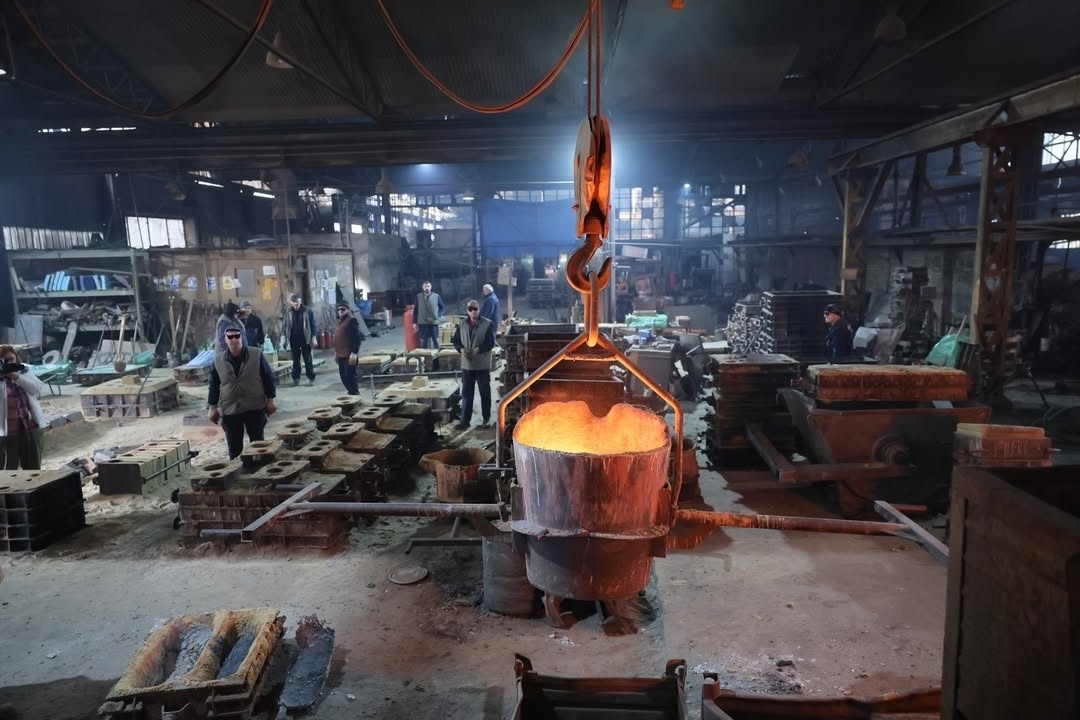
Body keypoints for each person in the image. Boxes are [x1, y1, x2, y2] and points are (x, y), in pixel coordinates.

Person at [207, 328, 278, 459]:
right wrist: (212, 407)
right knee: (234, 448)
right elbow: (214, 385)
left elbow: (268, 377)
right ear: (225, 340)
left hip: (254, 406)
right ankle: (237, 470)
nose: (234, 339)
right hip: (231, 409)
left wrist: (270, 400)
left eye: (237, 336)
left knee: (258, 445)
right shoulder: (218, 361)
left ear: (242, 338)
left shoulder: (256, 355)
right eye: (230, 337)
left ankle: (260, 469)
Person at [0, 345, 47, 470]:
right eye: (5, 360)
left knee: (33, 465)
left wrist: (16, 377)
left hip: (29, 426)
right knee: (9, 467)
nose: (10, 363)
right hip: (7, 431)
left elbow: (37, 389)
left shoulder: (23, 369)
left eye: (12, 359)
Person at [451, 299, 495, 431]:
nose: (473, 311)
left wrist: (478, 349)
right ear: (467, 311)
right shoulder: (462, 324)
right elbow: (456, 341)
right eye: (470, 309)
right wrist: (461, 349)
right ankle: (465, 420)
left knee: (484, 393)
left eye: (475, 309)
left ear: (479, 310)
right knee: (466, 393)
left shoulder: (487, 324)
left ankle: (486, 419)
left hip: (482, 365)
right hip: (467, 366)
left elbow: (490, 343)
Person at [283, 293, 317, 386]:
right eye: (294, 302)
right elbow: (285, 326)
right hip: (293, 338)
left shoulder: (307, 311)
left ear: (300, 301)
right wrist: (285, 339)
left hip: (305, 338)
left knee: (308, 359)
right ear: (291, 302)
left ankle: (311, 378)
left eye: (297, 302)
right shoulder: (288, 312)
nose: (296, 304)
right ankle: (296, 378)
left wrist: (313, 337)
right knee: (295, 360)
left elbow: (313, 324)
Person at [333, 303, 365, 396]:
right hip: (340, 354)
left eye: (343, 309)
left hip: (349, 354)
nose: (340, 311)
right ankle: (351, 393)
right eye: (339, 310)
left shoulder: (351, 321)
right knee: (343, 376)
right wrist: (336, 353)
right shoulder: (339, 322)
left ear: (348, 310)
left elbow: (357, 338)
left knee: (350, 376)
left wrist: (354, 353)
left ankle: (354, 393)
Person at [413, 281, 445, 350]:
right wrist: (414, 322)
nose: (427, 288)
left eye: (428, 286)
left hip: (434, 322)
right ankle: (424, 355)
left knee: (435, 340)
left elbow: (442, 307)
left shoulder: (436, 296)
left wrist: (439, 315)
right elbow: (415, 310)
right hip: (423, 322)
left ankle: (437, 354)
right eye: (425, 286)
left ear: (431, 287)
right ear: (423, 287)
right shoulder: (418, 297)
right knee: (423, 340)